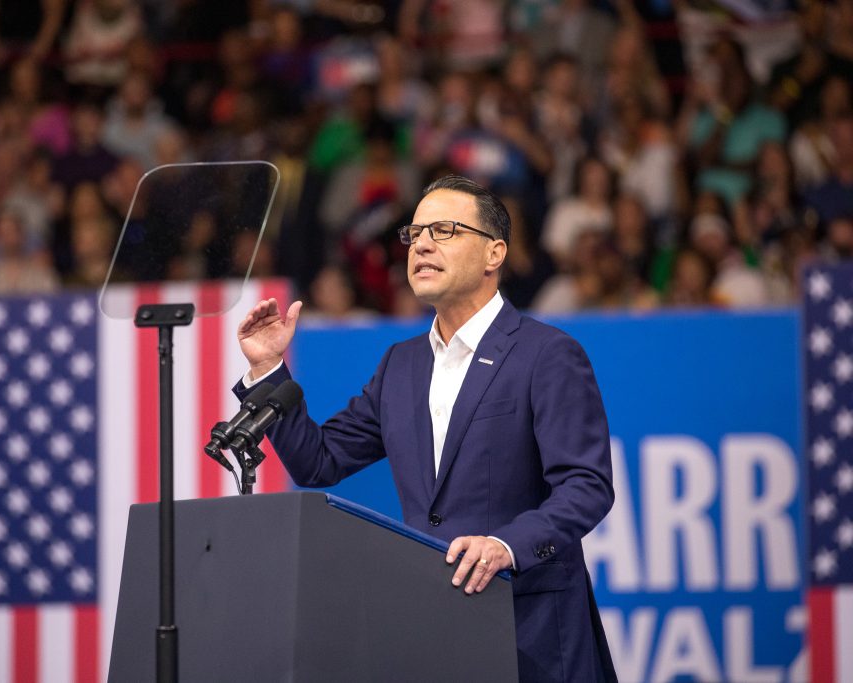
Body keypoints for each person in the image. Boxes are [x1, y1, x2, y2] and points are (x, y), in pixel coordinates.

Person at [233, 175, 617, 681]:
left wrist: (505, 546)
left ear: (494, 254)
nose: (422, 244)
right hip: (432, 632)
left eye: (445, 230)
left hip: (530, 631)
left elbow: (586, 486)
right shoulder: (401, 364)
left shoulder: (547, 354)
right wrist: (267, 371)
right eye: (414, 234)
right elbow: (317, 461)